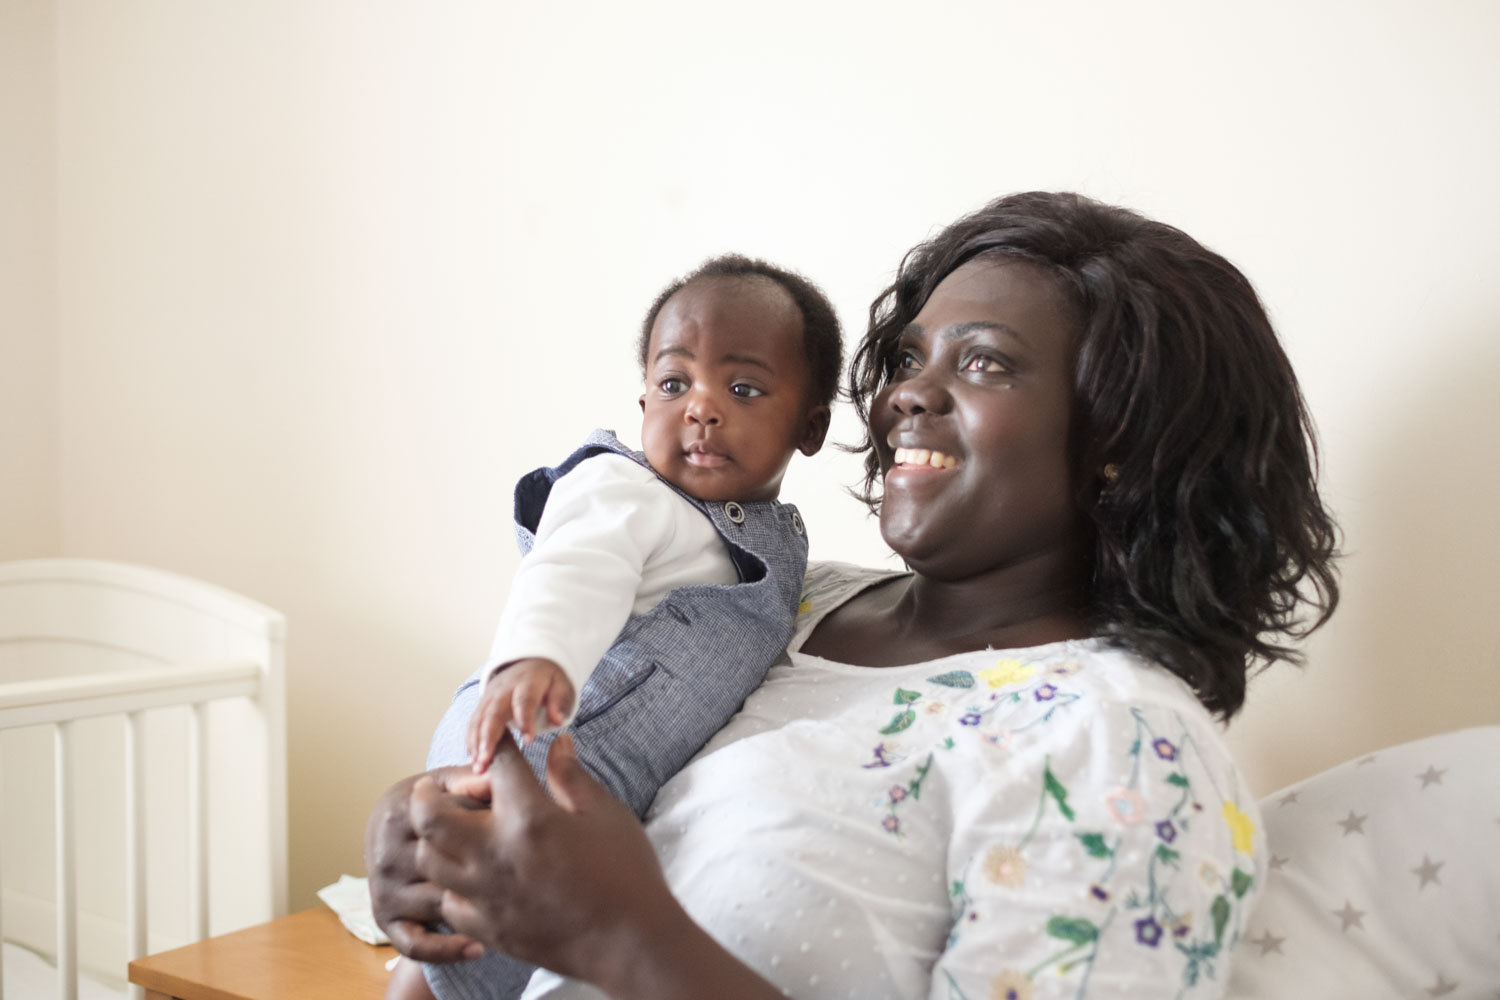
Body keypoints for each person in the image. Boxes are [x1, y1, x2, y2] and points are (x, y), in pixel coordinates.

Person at [366, 191, 1340, 1000]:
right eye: (910, 358)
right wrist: (441, 846)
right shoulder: (774, 598)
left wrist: (625, 936)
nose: (906, 394)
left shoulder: (1120, 744)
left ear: (1121, 443)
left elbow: (602, 906)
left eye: (986, 361)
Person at [393, 255, 843, 1000]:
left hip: (607, 778)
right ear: (642, 404)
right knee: (466, 954)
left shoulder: (769, 543)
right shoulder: (627, 489)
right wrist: (537, 656)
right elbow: (572, 567)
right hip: (536, 743)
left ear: (811, 425)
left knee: (499, 946)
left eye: (742, 388)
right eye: (674, 385)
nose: (701, 407)